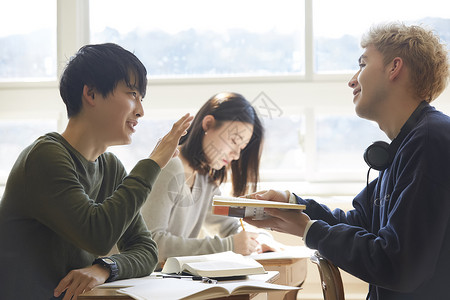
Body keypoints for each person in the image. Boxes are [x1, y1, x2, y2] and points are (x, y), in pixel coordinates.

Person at [244, 22, 450, 299]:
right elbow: (359, 223)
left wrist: (308, 230)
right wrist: (291, 202)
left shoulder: (430, 141)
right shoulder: (406, 147)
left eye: (363, 65)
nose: (352, 80)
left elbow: (397, 265)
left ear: (394, 67)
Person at [0, 43, 193, 300]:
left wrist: (105, 268)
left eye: (141, 98)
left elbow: (146, 250)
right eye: (132, 94)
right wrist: (154, 162)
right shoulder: (45, 157)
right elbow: (97, 235)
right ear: (91, 94)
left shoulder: (110, 167)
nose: (140, 111)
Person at [141, 92, 277, 263]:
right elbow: (151, 244)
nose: (236, 154)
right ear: (208, 124)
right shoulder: (169, 165)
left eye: (242, 147)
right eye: (234, 141)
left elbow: (229, 226)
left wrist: (260, 239)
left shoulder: (205, 180)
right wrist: (229, 246)